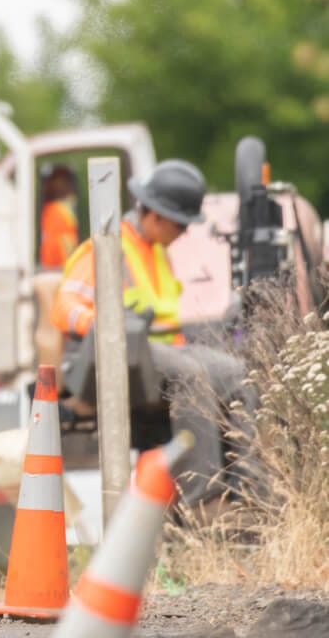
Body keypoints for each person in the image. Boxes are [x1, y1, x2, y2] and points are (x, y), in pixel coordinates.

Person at [50, 159, 257, 512]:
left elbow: (165, 321)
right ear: (155, 215)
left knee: (239, 375)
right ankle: (201, 504)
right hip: (105, 359)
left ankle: (250, 493)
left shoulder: (157, 252)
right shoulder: (105, 247)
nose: (185, 233)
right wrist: (111, 325)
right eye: (181, 224)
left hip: (156, 353)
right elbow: (63, 307)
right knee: (191, 374)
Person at [39, 164, 80, 268]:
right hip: (52, 266)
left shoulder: (60, 209)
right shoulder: (53, 209)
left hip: (61, 266)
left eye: (62, 184)